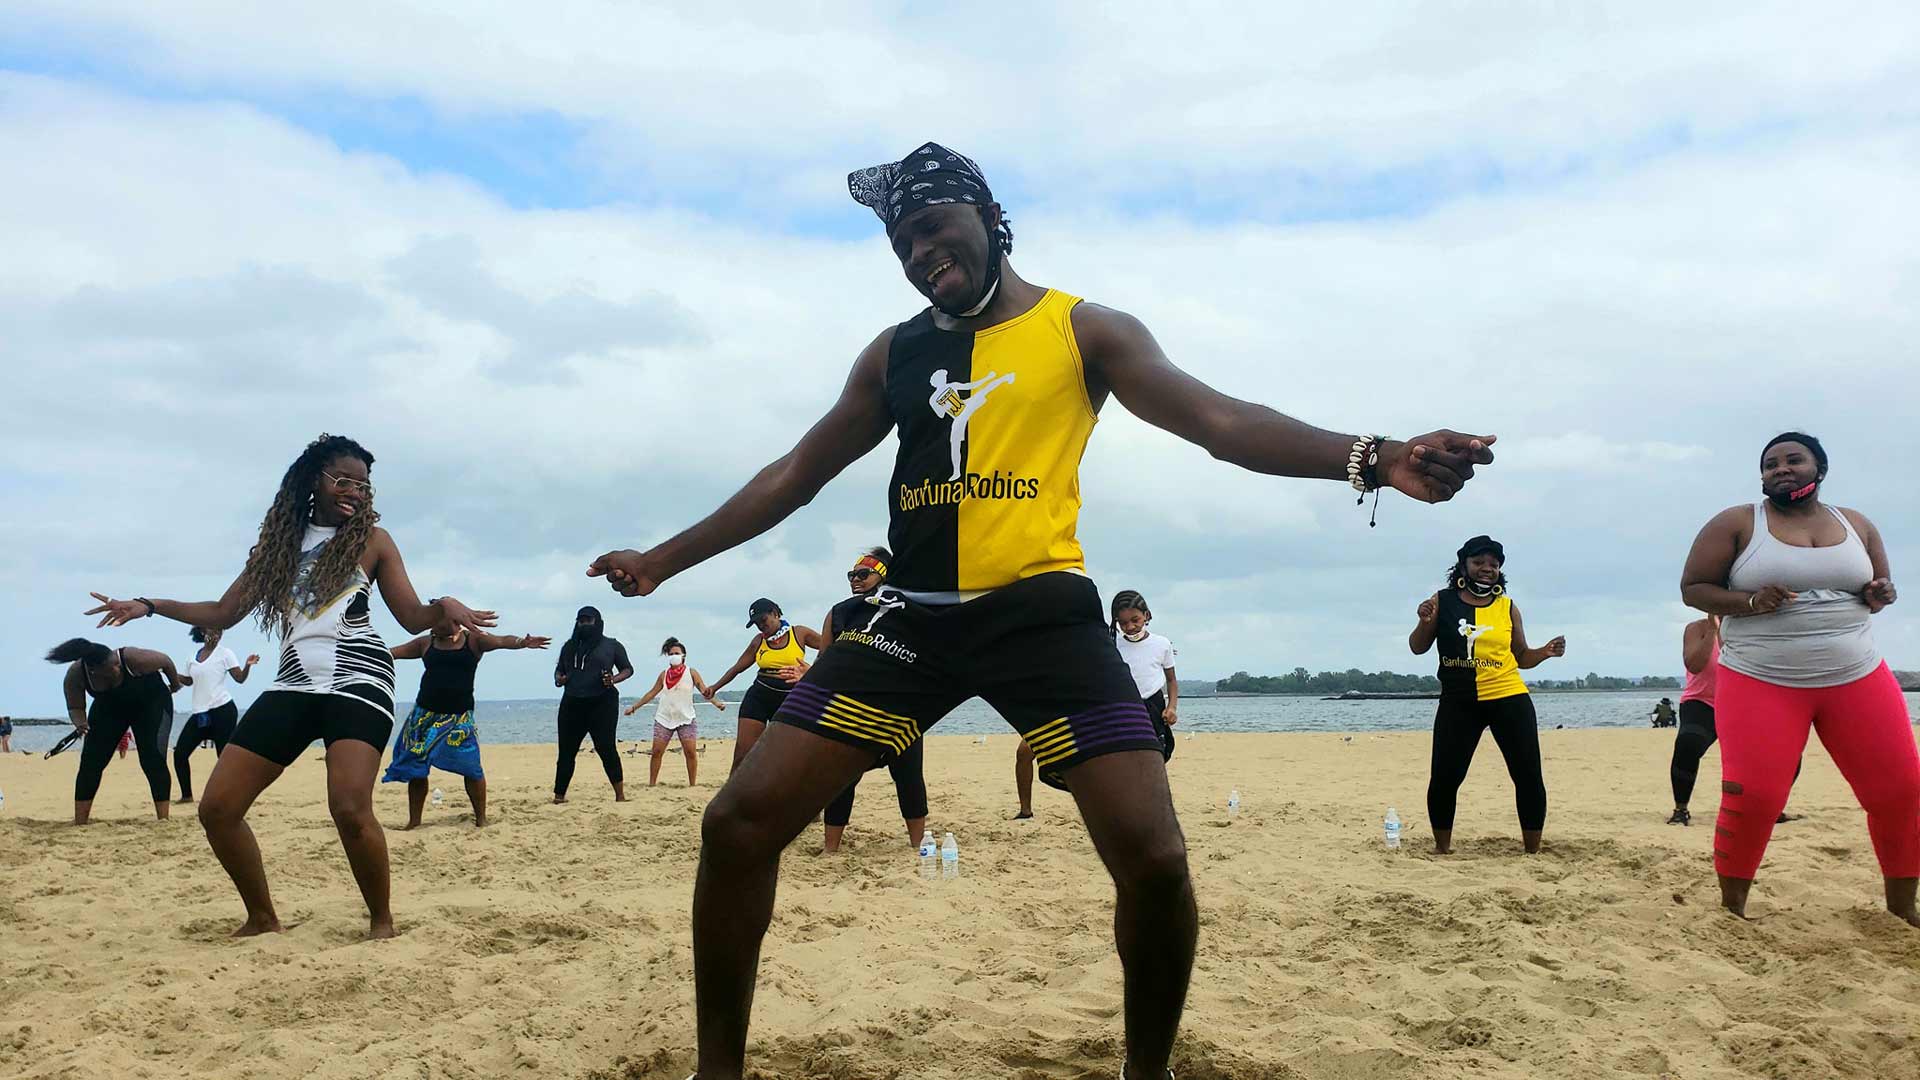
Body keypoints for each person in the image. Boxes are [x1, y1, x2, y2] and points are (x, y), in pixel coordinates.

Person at [587, 141, 1497, 1080]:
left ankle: (1150, 1069)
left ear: (986, 214)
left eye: (932, 227)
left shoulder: (1085, 331)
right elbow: (795, 475)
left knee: (1153, 856)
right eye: (900, 242)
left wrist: (1374, 454)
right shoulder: (896, 354)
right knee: (737, 826)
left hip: (1042, 617)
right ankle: (717, 1070)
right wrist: (662, 561)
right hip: (909, 623)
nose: (917, 254)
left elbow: (1218, 423)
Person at [84, 433, 495, 938]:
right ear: (312, 482)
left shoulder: (374, 542)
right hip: (294, 683)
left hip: (360, 678)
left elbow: (412, 617)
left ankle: (382, 923)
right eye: (343, 480)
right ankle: (262, 918)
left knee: (348, 806)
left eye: (363, 486)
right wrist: (150, 605)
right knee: (217, 809)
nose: (355, 492)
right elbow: (222, 612)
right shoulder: (279, 546)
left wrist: (445, 607)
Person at [1680, 431, 1913, 925]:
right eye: (1770, 465)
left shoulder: (1856, 524)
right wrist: (1748, 602)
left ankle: (1902, 909)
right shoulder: (1738, 523)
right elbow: (1693, 589)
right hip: (1761, 678)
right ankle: (1732, 911)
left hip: (1856, 674)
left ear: (1819, 469)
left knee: (1901, 790)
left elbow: (1878, 591)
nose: (1781, 469)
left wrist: (1880, 592)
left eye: (1793, 460)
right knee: (1757, 796)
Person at [1409, 536, 1566, 855]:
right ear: (1464, 564)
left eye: (1493, 564)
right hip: (1458, 701)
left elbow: (1521, 656)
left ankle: (1532, 852)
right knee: (1445, 777)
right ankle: (1443, 848)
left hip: (1508, 697)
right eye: (1479, 562)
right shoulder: (1441, 600)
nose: (1487, 569)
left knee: (1528, 776)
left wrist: (1545, 652)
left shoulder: (1508, 607)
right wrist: (1425, 621)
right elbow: (1417, 647)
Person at [1014, 589, 1180, 818]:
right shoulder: (1108, 644)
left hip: (1149, 707)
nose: (1130, 627)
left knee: (1148, 764)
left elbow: (1171, 680)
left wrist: (1171, 707)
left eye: (1135, 620)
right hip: (1112, 706)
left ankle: (1148, 810)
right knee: (1026, 750)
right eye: (1123, 623)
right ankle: (1025, 811)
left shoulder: (1161, 644)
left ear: (1147, 615)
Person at [810, 549, 929, 853]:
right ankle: (830, 849)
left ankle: (917, 846)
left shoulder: (909, 608)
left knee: (909, 776)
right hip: (851, 710)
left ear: (885, 575)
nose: (856, 580)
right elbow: (825, 659)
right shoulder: (841, 612)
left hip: (899, 710)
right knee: (841, 781)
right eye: (852, 575)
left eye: (864, 574)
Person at [386, 621, 548, 828]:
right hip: (424, 716)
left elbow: (500, 641)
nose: (431, 623)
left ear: (453, 621)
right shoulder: (426, 643)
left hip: (459, 718)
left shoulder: (473, 640)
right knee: (417, 768)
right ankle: (414, 821)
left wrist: (520, 642)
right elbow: (393, 652)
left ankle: (481, 818)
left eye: (436, 618)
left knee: (471, 768)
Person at [46, 639, 179, 824]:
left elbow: (166, 661)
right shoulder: (77, 674)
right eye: (112, 667)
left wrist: (175, 685)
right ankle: (80, 821)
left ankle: (163, 819)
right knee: (91, 762)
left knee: (152, 758)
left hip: (151, 702)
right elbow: (75, 706)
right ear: (94, 669)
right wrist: (80, 723)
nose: (117, 668)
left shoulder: (134, 658)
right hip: (109, 708)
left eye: (117, 663)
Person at [703, 600, 826, 772]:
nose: (761, 626)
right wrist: (715, 687)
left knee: (785, 755)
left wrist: (812, 670)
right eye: (756, 623)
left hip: (790, 700)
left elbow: (831, 649)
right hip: (759, 697)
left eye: (763, 620)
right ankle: (734, 794)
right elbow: (737, 668)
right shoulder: (758, 641)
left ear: (775, 613)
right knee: (742, 753)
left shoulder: (799, 633)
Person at [553, 606, 634, 803]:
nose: (584, 624)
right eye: (581, 621)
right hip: (572, 702)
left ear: (597, 622)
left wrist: (613, 679)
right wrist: (559, 679)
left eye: (588, 621)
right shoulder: (569, 647)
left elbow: (628, 669)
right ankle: (559, 796)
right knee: (566, 751)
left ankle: (620, 796)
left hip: (602, 702)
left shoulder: (612, 645)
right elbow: (558, 671)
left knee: (606, 748)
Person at [172, 627, 258, 803]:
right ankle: (187, 796)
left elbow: (240, 678)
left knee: (223, 756)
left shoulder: (225, 654)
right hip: (200, 713)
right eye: (213, 632)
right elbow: (188, 681)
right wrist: (169, 672)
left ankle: (235, 793)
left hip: (223, 710)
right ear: (203, 632)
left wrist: (247, 665)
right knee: (180, 753)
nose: (217, 636)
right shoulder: (192, 657)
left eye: (220, 633)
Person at [624, 637, 725, 787]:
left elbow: (704, 690)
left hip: (686, 718)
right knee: (657, 752)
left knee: (690, 752)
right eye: (671, 653)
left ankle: (692, 784)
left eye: (677, 653)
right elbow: (651, 693)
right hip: (664, 718)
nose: (674, 656)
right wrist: (634, 707)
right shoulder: (664, 674)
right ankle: (652, 784)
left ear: (683, 655)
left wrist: (717, 703)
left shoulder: (691, 673)